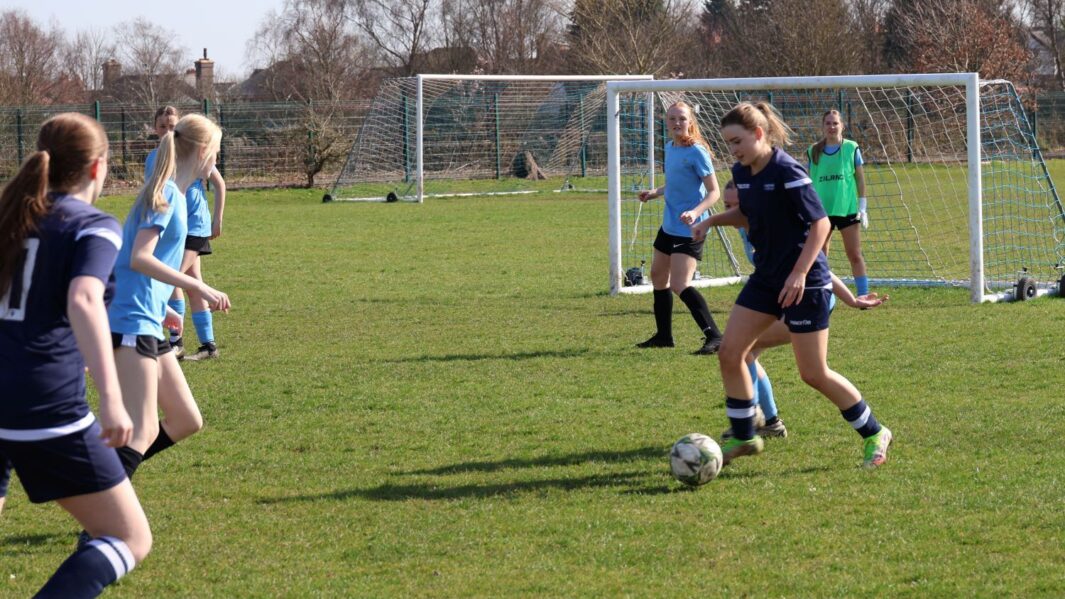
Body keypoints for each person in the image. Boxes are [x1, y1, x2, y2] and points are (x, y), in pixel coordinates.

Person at [693, 101, 892, 468]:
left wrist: (800, 273)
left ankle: (875, 431)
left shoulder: (788, 170)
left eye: (737, 141)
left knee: (813, 373)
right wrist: (711, 221)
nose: (733, 151)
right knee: (730, 351)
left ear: (758, 134)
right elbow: (747, 214)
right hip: (767, 278)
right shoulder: (744, 172)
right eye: (728, 144)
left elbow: (821, 224)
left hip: (807, 283)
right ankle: (744, 434)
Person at [0, 113, 151, 596]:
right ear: (96, 168)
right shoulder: (92, 225)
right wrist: (110, 396)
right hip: (41, 402)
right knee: (128, 536)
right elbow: (84, 298)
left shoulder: (10, 214)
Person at [712, 183, 889, 441]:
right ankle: (766, 421)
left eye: (736, 205)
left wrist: (851, 299)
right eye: (727, 206)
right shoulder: (745, 228)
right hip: (786, 300)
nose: (731, 212)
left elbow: (818, 267)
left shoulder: (773, 227)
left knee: (811, 372)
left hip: (811, 300)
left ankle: (873, 431)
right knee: (743, 351)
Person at [108, 113, 231, 486]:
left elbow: (140, 263)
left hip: (144, 316)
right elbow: (139, 258)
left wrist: (162, 305)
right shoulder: (165, 197)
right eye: (218, 153)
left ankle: (106, 483)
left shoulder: (175, 195)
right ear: (205, 152)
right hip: (130, 322)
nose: (217, 162)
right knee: (141, 429)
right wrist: (198, 287)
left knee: (185, 420)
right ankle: (104, 502)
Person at [635, 101, 723, 355]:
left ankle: (715, 336)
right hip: (669, 224)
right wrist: (655, 192)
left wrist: (695, 212)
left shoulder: (697, 151)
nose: (677, 123)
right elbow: (674, 183)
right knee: (658, 276)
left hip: (690, 228)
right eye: (672, 118)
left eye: (682, 118)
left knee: (680, 283)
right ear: (666, 121)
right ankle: (664, 336)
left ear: (690, 122)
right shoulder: (670, 148)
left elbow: (714, 191)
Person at [147, 106, 227, 361]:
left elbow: (219, 183)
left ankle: (174, 342)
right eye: (163, 127)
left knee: (172, 278)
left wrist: (217, 218)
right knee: (191, 282)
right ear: (155, 129)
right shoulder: (154, 158)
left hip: (195, 226)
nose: (168, 131)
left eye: (173, 126)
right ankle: (207, 346)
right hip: (172, 227)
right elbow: (154, 193)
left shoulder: (194, 155)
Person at [808, 109, 869, 296]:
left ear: (842, 125)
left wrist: (862, 207)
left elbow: (859, 179)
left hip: (847, 210)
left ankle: (863, 294)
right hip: (821, 212)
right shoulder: (813, 151)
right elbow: (809, 182)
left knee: (854, 254)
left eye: (835, 123)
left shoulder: (851, 148)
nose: (832, 127)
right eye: (828, 123)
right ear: (822, 127)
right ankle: (821, 294)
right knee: (819, 256)